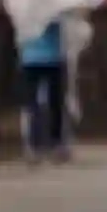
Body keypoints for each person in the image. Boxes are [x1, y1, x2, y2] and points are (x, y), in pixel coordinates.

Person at [18, 18, 70, 163]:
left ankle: (34, 145)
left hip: (29, 57)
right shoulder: (55, 6)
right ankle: (56, 143)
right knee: (56, 102)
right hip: (53, 56)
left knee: (32, 104)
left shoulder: (25, 8)